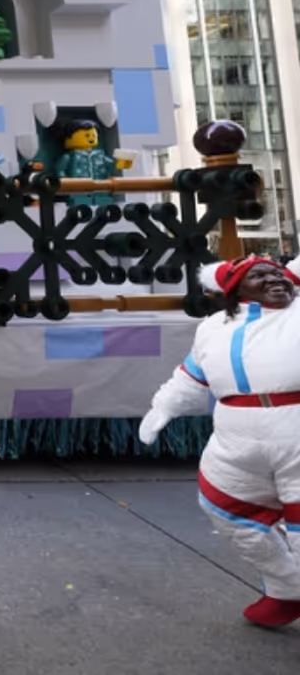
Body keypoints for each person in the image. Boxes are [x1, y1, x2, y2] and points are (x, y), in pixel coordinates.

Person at [139, 254, 300, 629]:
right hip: (236, 436)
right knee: (224, 507)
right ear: (235, 290)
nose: (276, 279)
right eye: (261, 275)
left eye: (279, 273)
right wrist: (162, 408)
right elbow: (190, 376)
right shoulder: (212, 328)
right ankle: (287, 588)